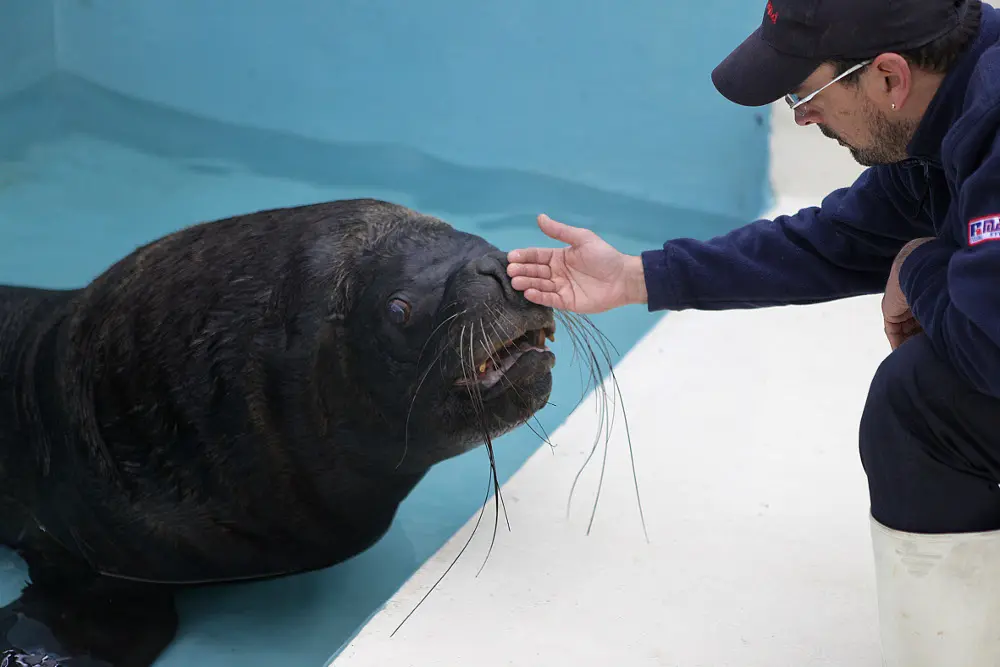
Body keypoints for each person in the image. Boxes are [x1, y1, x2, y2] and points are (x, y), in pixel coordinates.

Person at [506, 0, 1000, 664]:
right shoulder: (940, 120)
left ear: (888, 77)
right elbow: (833, 241)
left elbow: (990, 347)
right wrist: (637, 277)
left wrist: (919, 265)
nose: (802, 117)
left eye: (807, 93)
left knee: (921, 401)